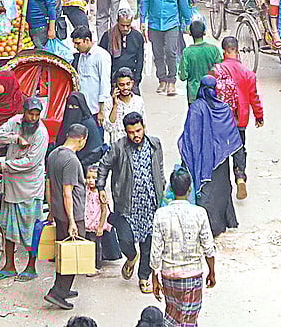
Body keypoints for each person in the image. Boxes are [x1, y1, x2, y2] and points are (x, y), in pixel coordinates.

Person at [98, 112, 165, 294]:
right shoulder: (118, 147)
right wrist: (101, 187)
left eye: (138, 130)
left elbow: (159, 167)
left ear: (144, 127)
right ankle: (130, 257)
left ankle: (144, 278)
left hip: (150, 204)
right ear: (126, 132)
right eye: (131, 132)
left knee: (149, 244)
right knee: (126, 240)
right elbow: (103, 166)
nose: (136, 135)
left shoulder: (154, 144)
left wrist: (162, 184)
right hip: (127, 204)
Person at [0, 96, 49, 281]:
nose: (33, 118)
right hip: (11, 186)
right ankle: (9, 266)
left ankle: (31, 267)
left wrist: (4, 166)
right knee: (7, 227)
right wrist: (15, 138)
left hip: (29, 188)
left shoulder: (41, 134)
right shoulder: (15, 122)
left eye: (36, 115)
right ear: (24, 113)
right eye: (30, 114)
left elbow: (31, 162)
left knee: (31, 229)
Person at [150, 167, 215, 326]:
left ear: (171, 188)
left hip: (169, 275)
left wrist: (154, 277)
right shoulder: (200, 213)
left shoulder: (161, 214)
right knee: (189, 320)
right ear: (190, 189)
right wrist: (212, 272)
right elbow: (208, 247)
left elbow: (156, 250)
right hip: (192, 276)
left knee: (172, 316)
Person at [179, 76, 241, 237]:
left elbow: (189, 136)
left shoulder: (196, 108)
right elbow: (231, 136)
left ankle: (206, 229)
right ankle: (222, 224)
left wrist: (187, 159)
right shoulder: (224, 109)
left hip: (201, 160)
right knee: (221, 190)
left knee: (205, 193)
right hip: (220, 161)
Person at [212, 36, 263, 200]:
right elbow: (253, 96)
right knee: (239, 148)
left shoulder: (217, 70)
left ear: (224, 51)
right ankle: (240, 177)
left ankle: (220, 185)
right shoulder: (248, 73)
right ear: (237, 51)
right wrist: (259, 115)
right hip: (240, 119)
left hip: (222, 118)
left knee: (220, 150)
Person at [45, 122, 88, 310]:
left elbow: (48, 185)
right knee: (73, 255)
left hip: (58, 212)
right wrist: (72, 221)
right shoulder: (71, 161)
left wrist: (51, 211)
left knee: (63, 254)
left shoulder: (54, 154)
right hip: (72, 214)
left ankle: (63, 287)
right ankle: (58, 292)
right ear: (81, 140)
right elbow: (67, 192)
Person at [140, 0, 193, 97]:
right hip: (154, 24)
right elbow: (145, 1)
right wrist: (142, 19)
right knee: (158, 53)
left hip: (172, 23)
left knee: (171, 52)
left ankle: (171, 81)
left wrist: (188, 21)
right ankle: (162, 79)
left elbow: (183, 2)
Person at [71, 26, 111, 123]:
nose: (75, 47)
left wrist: (101, 111)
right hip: (82, 109)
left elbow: (104, 84)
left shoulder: (101, 56)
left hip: (96, 111)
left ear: (87, 40)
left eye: (78, 43)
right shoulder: (81, 55)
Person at [57, 92, 108, 166]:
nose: (72, 109)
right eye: (70, 106)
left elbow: (96, 151)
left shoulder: (89, 123)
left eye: (75, 107)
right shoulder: (66, 121)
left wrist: (80, 163)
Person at [178, 21, 221, 103]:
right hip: (212, 93)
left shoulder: (187, 52)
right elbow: (219, 69)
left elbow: (183, 76)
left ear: (190, 33)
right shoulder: (213, 49)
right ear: (204, 32)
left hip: (194, 95)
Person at [104, 66, 145, 143]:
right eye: (122, 85)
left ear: (132, 83)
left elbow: (144, 125)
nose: (125, 88)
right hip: (117, 145)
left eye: (128, 84)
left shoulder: (138, 101)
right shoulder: (109, 103)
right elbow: (108, 128)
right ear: (116, 85)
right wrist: (115, 105)